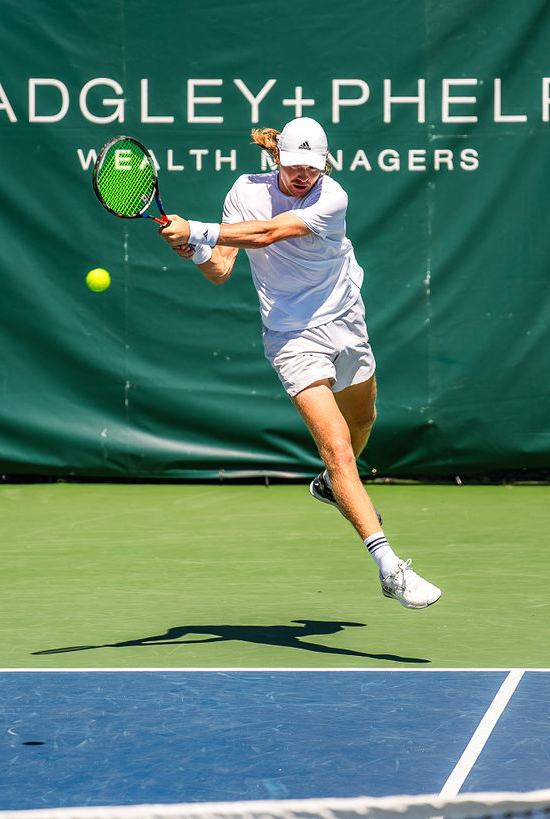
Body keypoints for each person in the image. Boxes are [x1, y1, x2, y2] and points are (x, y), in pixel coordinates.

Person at [158, 116, 441, 609]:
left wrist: (196, 228)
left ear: (323, 164)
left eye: (312, 167)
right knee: (339, 450)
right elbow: (220, 268)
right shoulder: (245, 191)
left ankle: (331, 487)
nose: (303, 175)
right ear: (276, 158)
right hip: (292, 337)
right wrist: (194, 249)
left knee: (363, 420)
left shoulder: (333, 197)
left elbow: (269, 234)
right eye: (293, 166)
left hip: (345, 321)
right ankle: (389, 567)